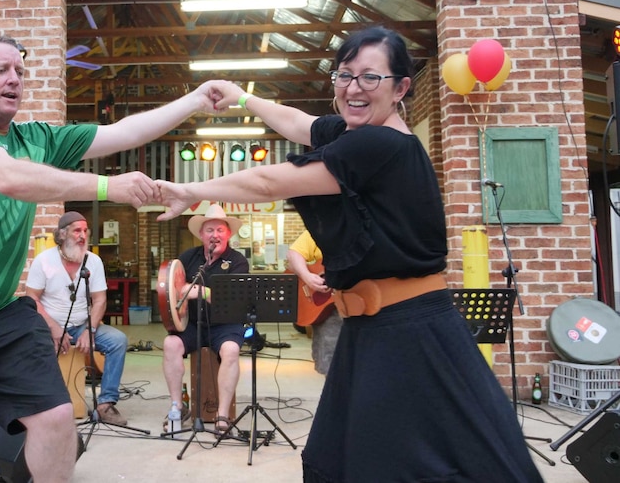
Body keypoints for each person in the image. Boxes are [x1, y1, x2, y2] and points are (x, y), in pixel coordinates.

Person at [156, 26, 543, 483]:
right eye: (344, 75)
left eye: (369, 77)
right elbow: (301, 124)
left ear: (401, 88)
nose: (354, 88)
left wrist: (188, 189)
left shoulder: (379, 144)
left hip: (410, 330)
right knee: (345, 458)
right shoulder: (358, 132)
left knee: (415, 463)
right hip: (372, 327)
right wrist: (244, 99)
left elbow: (268, 183)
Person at [0, 35, 224, 483]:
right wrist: (106, 188)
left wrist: (193, 99)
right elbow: (8, 177)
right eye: (1, 70)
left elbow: (124, 133)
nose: (14, 77)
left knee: (57, 421)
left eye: (19, 70)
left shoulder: (39, 139)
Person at [25, 211, 129, 425]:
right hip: (49, 325)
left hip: (82, 325)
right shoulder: (44, 261)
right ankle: (43, 405)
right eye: (76, 231)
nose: (82, 236)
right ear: (62, 235)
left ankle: (105, 404)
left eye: (85, 231)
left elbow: (100, 300)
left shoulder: (94, 261)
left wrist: (89, 330)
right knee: (30, 346)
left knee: (118, 341)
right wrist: (53, 328)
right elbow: (32, 299)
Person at [162, 204, 249, 434]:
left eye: (220, 230)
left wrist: (203, 292)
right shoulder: (188, 258)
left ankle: (222, 415)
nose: (215, 235)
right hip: (193, 323)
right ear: (201, 235)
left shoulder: (238, 261)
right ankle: (177, 407)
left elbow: (235, 299)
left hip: (226, 324)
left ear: (228, 233)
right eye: (210, 230)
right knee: (170, 344)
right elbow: (174, 291)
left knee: (230, 350)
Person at [286, 230, 343, 376]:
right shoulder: (322, 228)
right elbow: (293, 254)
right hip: (330, 312)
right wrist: (307, 276)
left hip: (363, 305)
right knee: (329, 363)